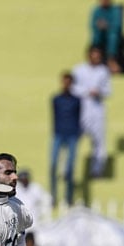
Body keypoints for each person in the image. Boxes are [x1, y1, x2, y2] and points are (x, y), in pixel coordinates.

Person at [72, 46, 111, 177]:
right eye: (93, 55)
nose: (95, 58)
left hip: (97, 108)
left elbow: (108, 91)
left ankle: (97, 170)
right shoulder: (78, 70)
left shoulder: (103, 71)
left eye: (98, 56)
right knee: (74, 139)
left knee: (99, 141)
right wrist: (87, 91)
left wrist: (98, 92)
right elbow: (73, 88)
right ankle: (69, 169)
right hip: (81, 108)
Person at [50, 71, 81, 206]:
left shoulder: (76, 100)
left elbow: (78, 117)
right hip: (58, 134)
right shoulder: (56, 99)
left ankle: (68, 197)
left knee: (70, 168)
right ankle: (54, 196)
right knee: (53, 165)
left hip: (72, 135)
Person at [90, 0, 123, 73]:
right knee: (96, 35)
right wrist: (100, 26)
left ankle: (111, 60)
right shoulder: (96, 11)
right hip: (100, 34)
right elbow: (93, 25)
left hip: (110, 34)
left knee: (113, 37)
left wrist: (106, 26)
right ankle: (96, 58)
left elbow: (117, 26)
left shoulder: (115, 10)